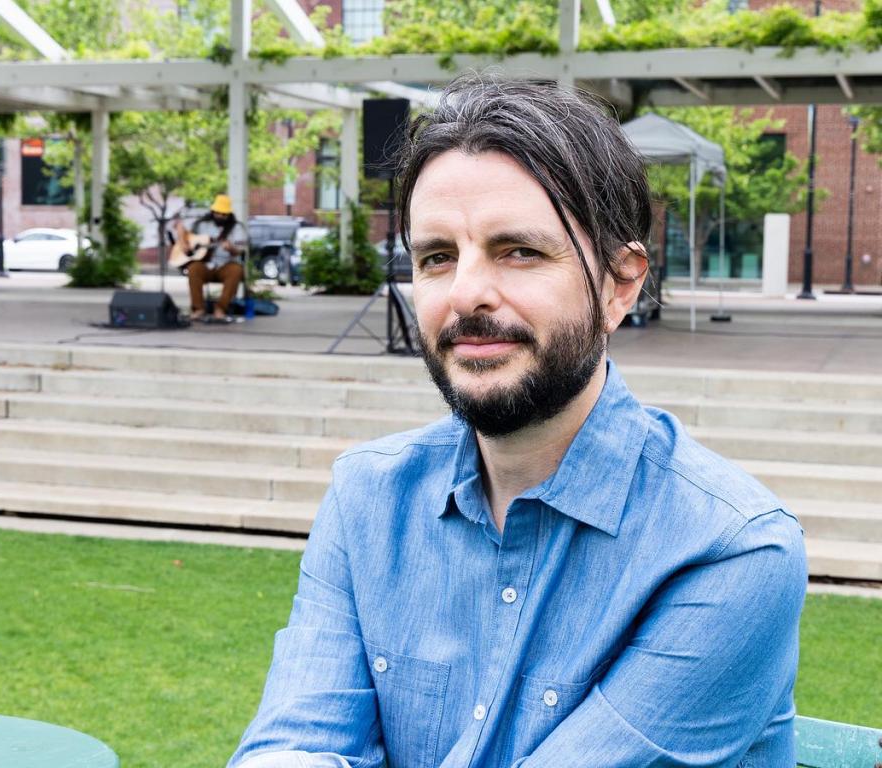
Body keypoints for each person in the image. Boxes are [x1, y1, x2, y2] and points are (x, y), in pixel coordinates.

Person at [229, 76, 807, 768]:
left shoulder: (728, 548)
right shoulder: (367, 500)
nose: (467, 293)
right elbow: (295, 745)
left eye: (519, 252)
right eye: (437, 257)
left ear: (620, 283)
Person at [180, 194, 247, 323]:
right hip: (206, 264)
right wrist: (184, 245)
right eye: (218, 213)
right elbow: (180, 227)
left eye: (224, 214)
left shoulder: (237, 228)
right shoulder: (202, 224)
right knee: (193, 268)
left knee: (236, 270)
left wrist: (231, 249)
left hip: (226, 265)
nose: (220, 216)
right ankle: (198, 309)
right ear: (213, 211)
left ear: (228, 214)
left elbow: (240, 250)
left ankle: (220, 309)